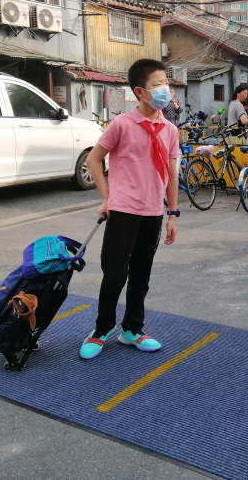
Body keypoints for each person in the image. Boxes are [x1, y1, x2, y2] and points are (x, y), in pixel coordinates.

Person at [79, 58, 180, 359]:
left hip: (153, 212)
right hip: (122, 211)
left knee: (141, 275)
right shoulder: (122, 124)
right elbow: (93, 159)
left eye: (166, 83)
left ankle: (132, 329)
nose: (165, 89)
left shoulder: (169, 130)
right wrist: (106, 197)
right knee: (114, 275)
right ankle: (101, 330)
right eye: (158, 84)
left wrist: (172, 215)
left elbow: (172, 174)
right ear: (140, 91)